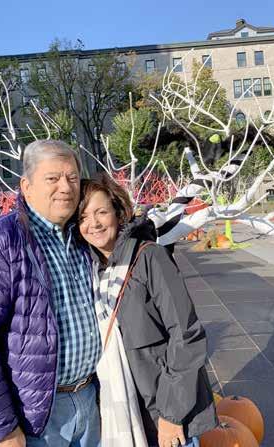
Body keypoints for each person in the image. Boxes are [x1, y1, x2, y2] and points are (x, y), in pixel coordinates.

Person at [0, 140, 101, 447]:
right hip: (36, 414)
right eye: (52, 178)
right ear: (26, 187)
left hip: (90, 398)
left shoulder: (83, 236)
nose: (66, 187)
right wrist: (1, 430)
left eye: (72, 178)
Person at [77, 174, 216, 447]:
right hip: (122, 410)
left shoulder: (150, 257)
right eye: (83, 217)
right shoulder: (90, 270)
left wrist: (171, 414)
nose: (93, 224)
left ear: (118, 212)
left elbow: (186, 335)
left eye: (101, 212)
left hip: (163, 411)